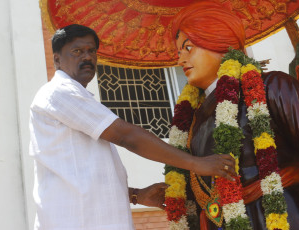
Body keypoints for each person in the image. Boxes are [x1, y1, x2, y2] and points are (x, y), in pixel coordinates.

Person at [29, 24, 236, 230]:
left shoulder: (78, 99)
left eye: (91, 51)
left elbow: (84, 178)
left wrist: (137, 195)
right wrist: (196, 163)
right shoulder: (59, 93)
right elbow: (126, 136)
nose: (87, 57)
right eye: (77, 51)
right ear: (57, 59)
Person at [167, 1, 299, 229]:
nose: (180, 59)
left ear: (220, 41)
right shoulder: (191, 121)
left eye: (188, 47)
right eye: (179, 51)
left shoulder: (273, 86)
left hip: (289, 215)